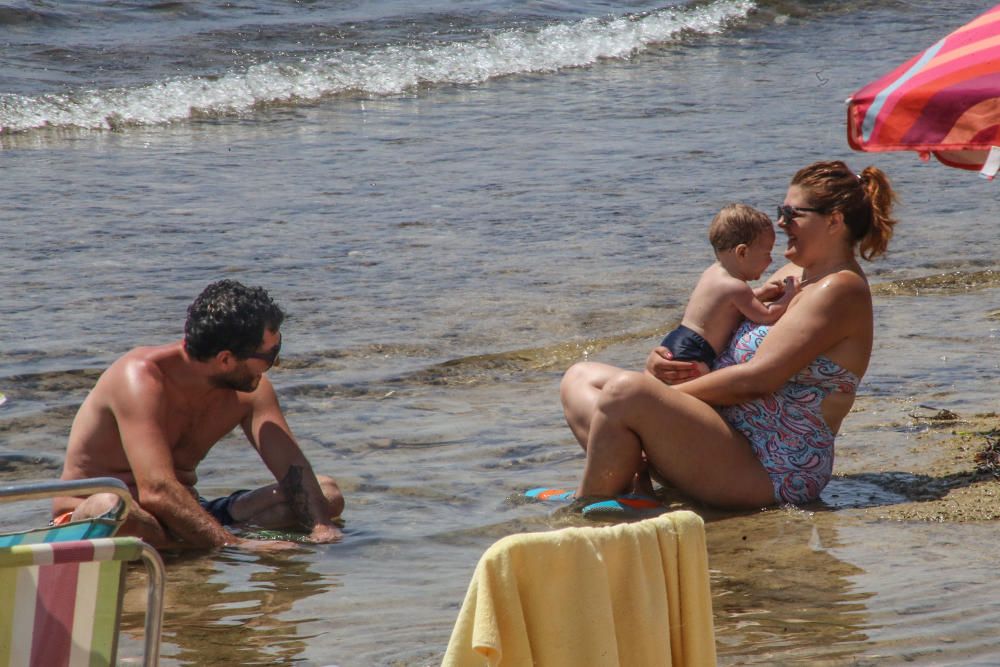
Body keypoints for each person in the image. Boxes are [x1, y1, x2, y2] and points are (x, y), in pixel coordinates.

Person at [559, 160, 897, 511]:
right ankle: (627, 488)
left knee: (625, 393)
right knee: (580, 378)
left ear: (834, 220)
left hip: (771, 465)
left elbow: (756, 380)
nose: (781, 222)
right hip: (721, 433)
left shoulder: (840, 289)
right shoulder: (795, 272)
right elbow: (717, 331)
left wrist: (659, 395)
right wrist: (662, 363)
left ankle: (587, 510)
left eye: (791, 213)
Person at [54, 279, 345, 550]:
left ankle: (189, 543)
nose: (277, 362)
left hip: (181, 515)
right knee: (112, 507)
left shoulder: (251, 389)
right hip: (107, 515)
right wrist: (237, 546)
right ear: (226, 359)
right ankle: (198, 542)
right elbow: (156, 490)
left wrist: (322, 527)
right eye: (269, 355)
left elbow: (293, 470)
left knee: (325, 493)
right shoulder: (140, 379)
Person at [654, 203, 796, 378]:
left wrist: (763, 293)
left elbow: (728, 305)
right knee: (689, 394)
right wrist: (790, 294)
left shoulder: (712, 273)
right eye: (767, 253)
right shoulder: (736, 286)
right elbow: (766, 315)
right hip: (695, 352)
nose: (770, 261)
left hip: (679, 340)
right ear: (742, 252)